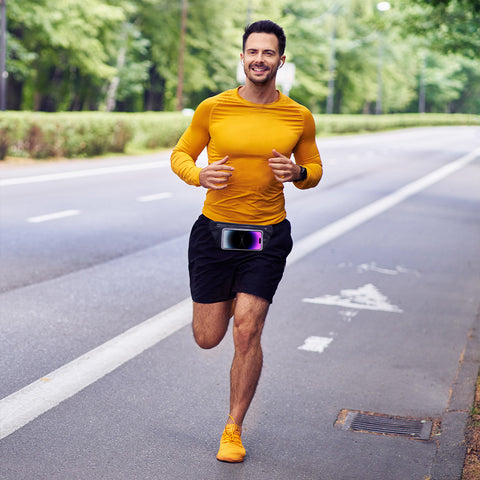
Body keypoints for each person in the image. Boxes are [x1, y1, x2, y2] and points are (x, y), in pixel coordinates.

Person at [170, 19, 323, 463]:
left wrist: (296, 173)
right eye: (252, 52)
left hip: (266, 235)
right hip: (214, 233)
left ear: (280, 59)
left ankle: (233, 428)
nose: (260, 59)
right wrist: (199, 175)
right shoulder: (213, 109)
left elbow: (313, 170)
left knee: (248, 329)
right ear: (242, 58)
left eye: (268, 53)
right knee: (207, 336)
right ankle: (235, 298)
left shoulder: (298, 116)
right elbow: (180, 153)